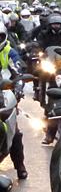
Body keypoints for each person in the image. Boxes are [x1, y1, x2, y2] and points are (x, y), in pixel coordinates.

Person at [0, 24, 27, 179]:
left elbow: (18, 73)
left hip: (5, 94)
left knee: (15, 132)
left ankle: (19, 165)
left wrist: (18, 88)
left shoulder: (9, 52)